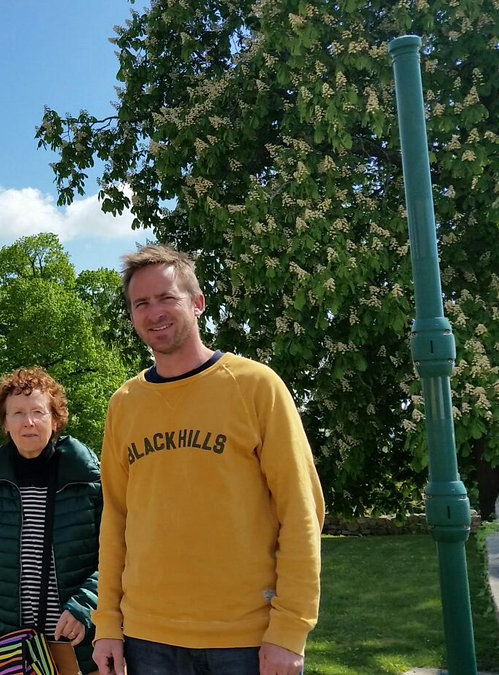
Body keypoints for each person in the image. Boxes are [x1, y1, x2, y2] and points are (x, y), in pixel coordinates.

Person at [90, 245, 324, 675]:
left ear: (197, 304)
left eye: (167, 298)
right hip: (148, 639)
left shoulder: (256, 386)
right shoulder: (124, 404)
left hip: (245, 640)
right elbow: (115, 521)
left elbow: (301, 513)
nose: (154, 312)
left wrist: (289, 631)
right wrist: (107, 624)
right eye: (141, 303)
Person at [0, 366, 103, 675]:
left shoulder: (90, 481)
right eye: (18, 413)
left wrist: (85, 607)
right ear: (5, 423)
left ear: (56, 419)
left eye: (38, 411)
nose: (29, 422)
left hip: (82, 646)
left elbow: (118, 558)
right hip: (16, 649)